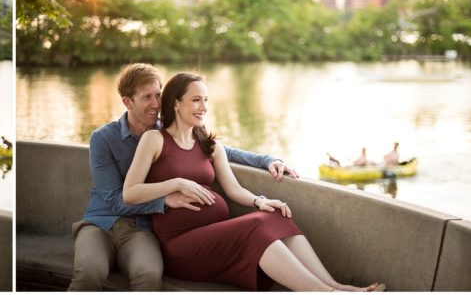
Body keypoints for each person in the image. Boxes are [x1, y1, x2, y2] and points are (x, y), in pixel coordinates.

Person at [123, 72, 384, 291]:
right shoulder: (154, 140)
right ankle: (325, 293)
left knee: (275, 215)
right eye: (195, 100)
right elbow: (130, 193)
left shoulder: (210, 145)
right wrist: (176, 183)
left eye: (205, 100)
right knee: (256, 225)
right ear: (176, 104)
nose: (203, 107)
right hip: (180, 249)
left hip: (216, 239)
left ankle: (336, 287)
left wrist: (260, 200)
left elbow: (234, 189)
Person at [68, 63, 297, 292]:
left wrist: (267, 160)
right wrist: (164, 199)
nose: (156, 104)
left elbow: (217, 149)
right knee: (90, 273)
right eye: (147, 97)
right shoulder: (103, 138)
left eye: (158, 94)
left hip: (142, 229)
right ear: (127, 102)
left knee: (148, 276)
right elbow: (115, 199)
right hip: (101, 223)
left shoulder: (167, 131)